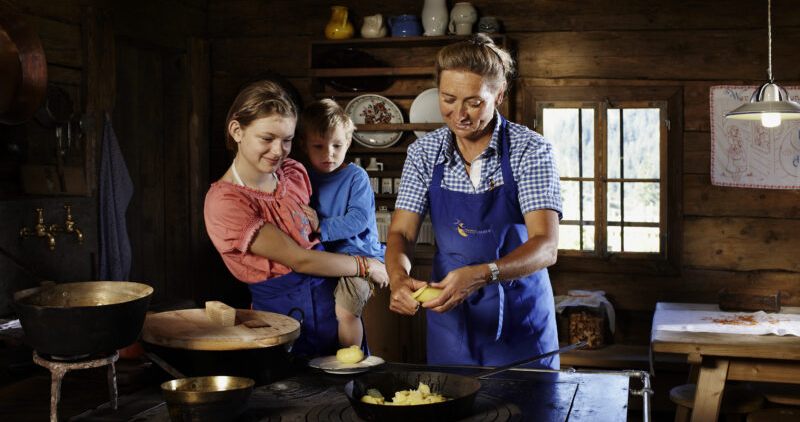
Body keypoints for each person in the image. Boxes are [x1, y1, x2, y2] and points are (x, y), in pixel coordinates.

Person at [385, 34, 563, 368]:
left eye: (474, 102)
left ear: (498, 96)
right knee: (451, 414)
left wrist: (485, 273)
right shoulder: (424, 153)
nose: (459, 114)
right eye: (448, 98)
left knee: (533, 417)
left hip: (520, 320)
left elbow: (546, 245)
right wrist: (397, 277)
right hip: (451, 319)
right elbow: (402, 234)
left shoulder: (530, 150)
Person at [204, 79, 388, 357]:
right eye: (267, 138)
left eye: (287, 140)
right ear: (236, 130)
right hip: (281, 321)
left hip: (333, 312)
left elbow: (318, 234)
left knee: (348, 382)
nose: (279, 151)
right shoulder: (225, 202)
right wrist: (366, 264)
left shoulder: (292, 172)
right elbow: (300, 258)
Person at [297, 99, 386, 348]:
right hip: (326, 258)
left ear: (348, 143)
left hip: (360, 257)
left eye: (337, 145)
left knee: (346, 312)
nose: (329, 154)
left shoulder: (356, 176)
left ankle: (350, 360)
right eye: (319, 146)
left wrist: (320, 226)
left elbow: (358, 220)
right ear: (303, 145)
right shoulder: (303, 176)